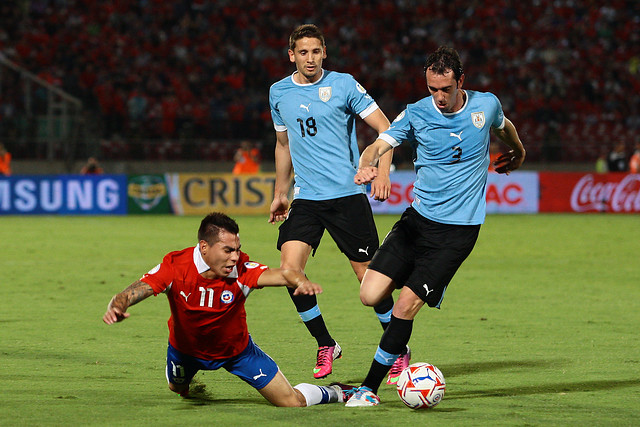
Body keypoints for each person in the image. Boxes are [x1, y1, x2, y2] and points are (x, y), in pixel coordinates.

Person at [344, 46, 526, 406]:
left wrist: (518, 152)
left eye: (445, 89)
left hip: (457, 233)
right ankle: (404, 331)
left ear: (461, 81)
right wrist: (368, 165)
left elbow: (504, 128)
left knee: (405, 306)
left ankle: (369, 388)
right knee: (369, 294)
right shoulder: (416, 113)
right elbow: (376, 146)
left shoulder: (485, 105)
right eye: (432, 90)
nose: (439, 98)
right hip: (417, 222)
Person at [103, 212, 353, 407]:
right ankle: (186, 382)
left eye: (237, 249)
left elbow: (282, 274)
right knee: (177, 389)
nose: (235, 256)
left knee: (291, 402)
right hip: (185, 352)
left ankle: (336, 391)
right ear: (204, 247)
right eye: (228, 250)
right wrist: (118, 306)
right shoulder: (175, 267)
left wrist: (300, 280)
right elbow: (133, 291)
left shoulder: (242, 270)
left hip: (238, 352)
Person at [268, 24, 399, 380]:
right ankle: (326, 343)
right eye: (303, 52)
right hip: (307, 198)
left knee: (368, 280)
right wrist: (281, 193)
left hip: (346, 196)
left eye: (316, 51)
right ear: (291, 55)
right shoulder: (279, 92)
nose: (310, 58)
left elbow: (385, 127)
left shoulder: (343, 84)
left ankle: (396, 348)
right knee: (289, 272)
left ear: (324, 52)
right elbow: (283, 146)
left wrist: (382, 171)